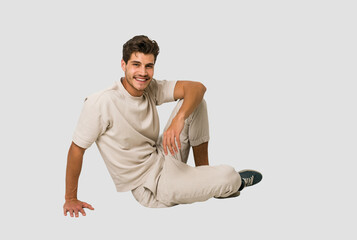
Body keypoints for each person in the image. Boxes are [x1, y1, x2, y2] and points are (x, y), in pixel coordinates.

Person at [63, 35, 262, 217]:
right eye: (136, 64)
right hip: (151, 186)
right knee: (229, 174)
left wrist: (179, 118)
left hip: (162, 155)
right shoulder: (100, 103)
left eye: (148, 66)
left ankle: (204, 173)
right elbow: (76, 149)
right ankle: (225, 183)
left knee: (196, 102)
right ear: (123, 65)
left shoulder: (151, 87)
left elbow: (197, 87)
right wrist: (70, 198)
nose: (143, 73)